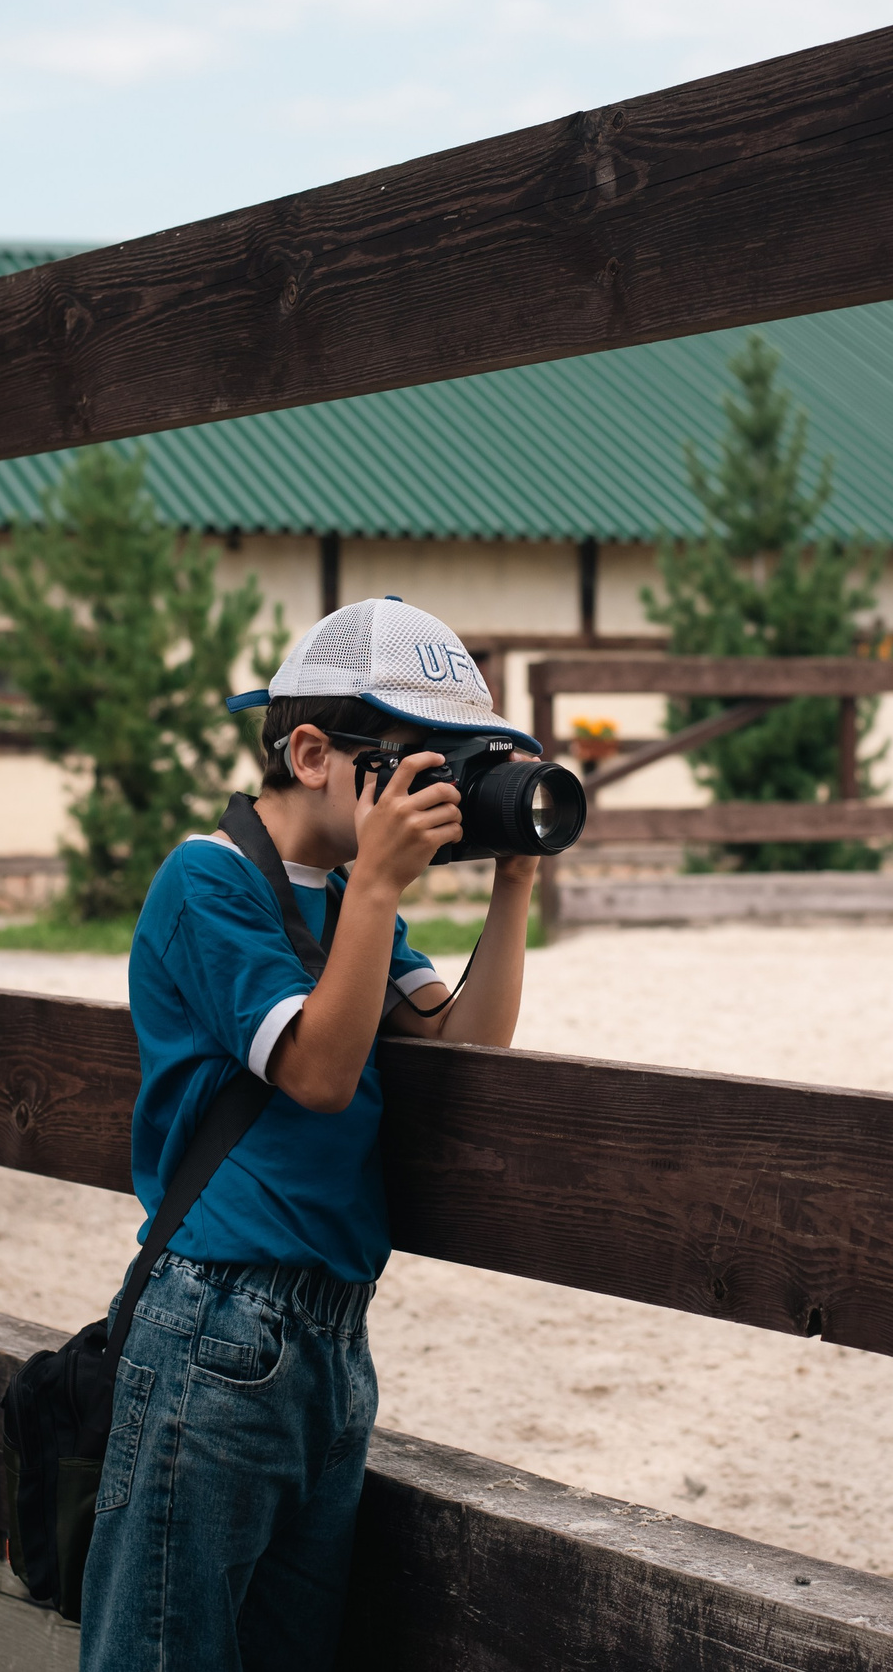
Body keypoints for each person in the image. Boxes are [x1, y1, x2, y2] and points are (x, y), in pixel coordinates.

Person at [81, 597, 539, 1671]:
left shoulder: (351, 898)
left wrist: (511, 877)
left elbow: (463, 1045)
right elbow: (320, 1073)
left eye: (455, 767)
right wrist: (377, 884)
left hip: (331, 1337)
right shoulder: (208, 880)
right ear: (310, 751)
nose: (438, 791)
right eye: (417, 764)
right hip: (217, 1320)